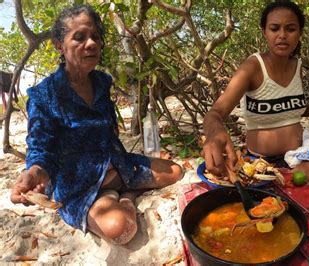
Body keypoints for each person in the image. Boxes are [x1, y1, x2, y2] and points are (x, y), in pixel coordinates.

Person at [10, 5, 183, 245]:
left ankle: (123, 191)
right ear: (60, 45)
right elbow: (41, 149)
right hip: (79, 185)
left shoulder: (102, 82)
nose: (90, 44)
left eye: (95, 37)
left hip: (120, 166)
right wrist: (34, 172)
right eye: (79, 38)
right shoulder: (43, 95)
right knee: (119, 229)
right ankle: (122, 196)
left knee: (176, 171)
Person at [203, 1, 309, 191]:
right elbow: (215, 113)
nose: (282, 35)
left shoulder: (297, 66)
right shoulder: (253, 67)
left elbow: (293, 110)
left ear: (299, 33)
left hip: (302, 147)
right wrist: (215, 132)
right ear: (265, 32)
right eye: (274, 28)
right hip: (269, 160)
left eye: (290, 29)